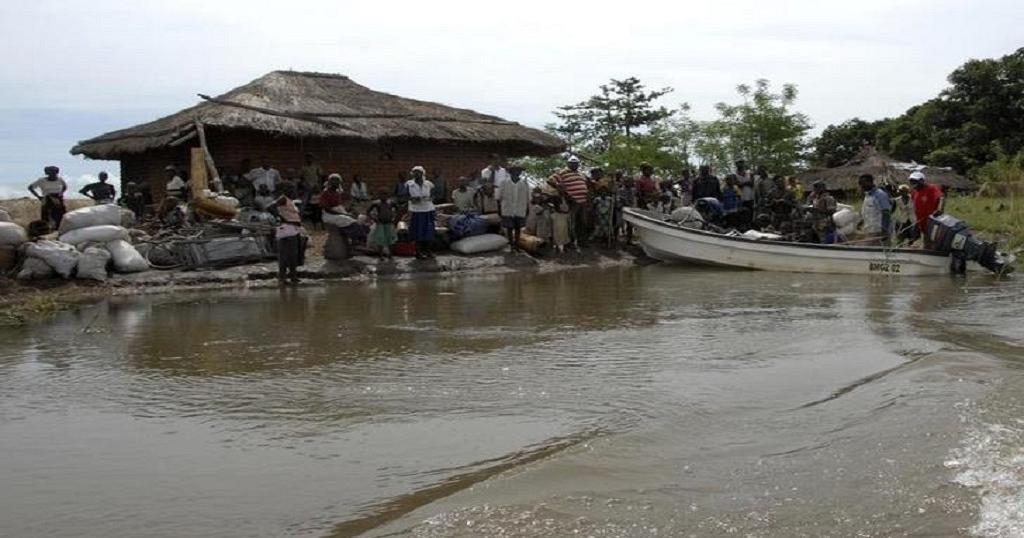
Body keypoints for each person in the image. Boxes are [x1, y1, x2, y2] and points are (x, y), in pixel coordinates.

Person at [547, 155, 590, 248]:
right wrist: (559, 187)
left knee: (582, 222)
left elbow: (586, 184)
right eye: (573, 163)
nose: (575, 165)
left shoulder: (580, 173)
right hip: (572, 201)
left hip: (583, 201)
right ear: (568, 164)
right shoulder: (563, 172)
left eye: (577, 164)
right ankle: (570, 242)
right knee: (571, 222)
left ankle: (581, 241)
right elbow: (550, 180)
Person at [275, 187, 305, 285]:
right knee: (285, 255)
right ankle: (282, 278)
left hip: (293, 229)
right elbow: (270, 207)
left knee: (293, 254)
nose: (293, 192)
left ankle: (293, 276)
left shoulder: (290, 201)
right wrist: (282, 218)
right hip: (286, 229)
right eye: (291, 190)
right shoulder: (282, 199)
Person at [498, 166, 531, 252]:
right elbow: (499, 197)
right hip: (508, 209)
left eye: (518, 171)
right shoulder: (504, 183)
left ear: (520, 173)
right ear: (510, 172)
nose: (516, 172)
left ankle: (516, 245)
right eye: (514, 171)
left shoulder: (525, 183)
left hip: (520, 208)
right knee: (509, 228)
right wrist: (500, 209)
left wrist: (527, 208)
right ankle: (511, 245)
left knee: (518, 228)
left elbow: (528, 198)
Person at [406, 166, 436, 259]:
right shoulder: (409, 184)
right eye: (414, 172)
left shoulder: (429, 184)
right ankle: (418, 252)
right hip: (416, 211)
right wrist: (412, 199)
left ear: (423, 173)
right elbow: (403, 196)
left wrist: (431, 198)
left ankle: (428, 252)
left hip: (428, 210)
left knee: (429, 231)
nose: (416, 174)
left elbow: (434, 194)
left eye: (418, 172)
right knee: (417, 232)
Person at [908, 171, 944, 246]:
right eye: (911, 181)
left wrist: (939, 209)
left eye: (915, 181)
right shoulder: (914, 192)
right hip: (921, 223)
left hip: (932, 222)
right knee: (926, 244)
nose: (913, 183)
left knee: (933, 244)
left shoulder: (931, 188)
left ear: (922, 181)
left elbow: (941, 198)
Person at [859, 173, 892, 245]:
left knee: (879, 253)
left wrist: (884, 231)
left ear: (870, 182)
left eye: (863, 183)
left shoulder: (880, 194)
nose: (861, 185)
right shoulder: (867, 196)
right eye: (860, 183)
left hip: (879, 231)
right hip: (870, 230)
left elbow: (886, 212)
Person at [367, 190, 398, 259]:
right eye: (382, 194)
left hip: (389, 223)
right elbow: (368, 211)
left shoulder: (391, 203)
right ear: (379, 195)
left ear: (388, 195)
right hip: (380, 223)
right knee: (380, 239)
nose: (383, 196)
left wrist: (395, 219)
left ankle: (390, 254)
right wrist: (374, 219)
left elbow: (398, 210)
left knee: (390, 239)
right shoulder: (376, 203)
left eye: (385, 194)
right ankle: (380, 255)